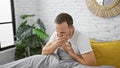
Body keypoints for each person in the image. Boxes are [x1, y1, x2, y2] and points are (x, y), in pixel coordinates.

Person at [0, 13, 115, 68]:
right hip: (53, 59)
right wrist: (56, 44)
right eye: (58, 32)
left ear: (72, 28)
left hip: (73, 64)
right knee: (31, 60)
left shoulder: (81, 38)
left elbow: (92, 64)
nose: (59, 35)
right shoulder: (57, 33)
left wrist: (70, 52)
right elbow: (44, 52)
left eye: (63, 33)